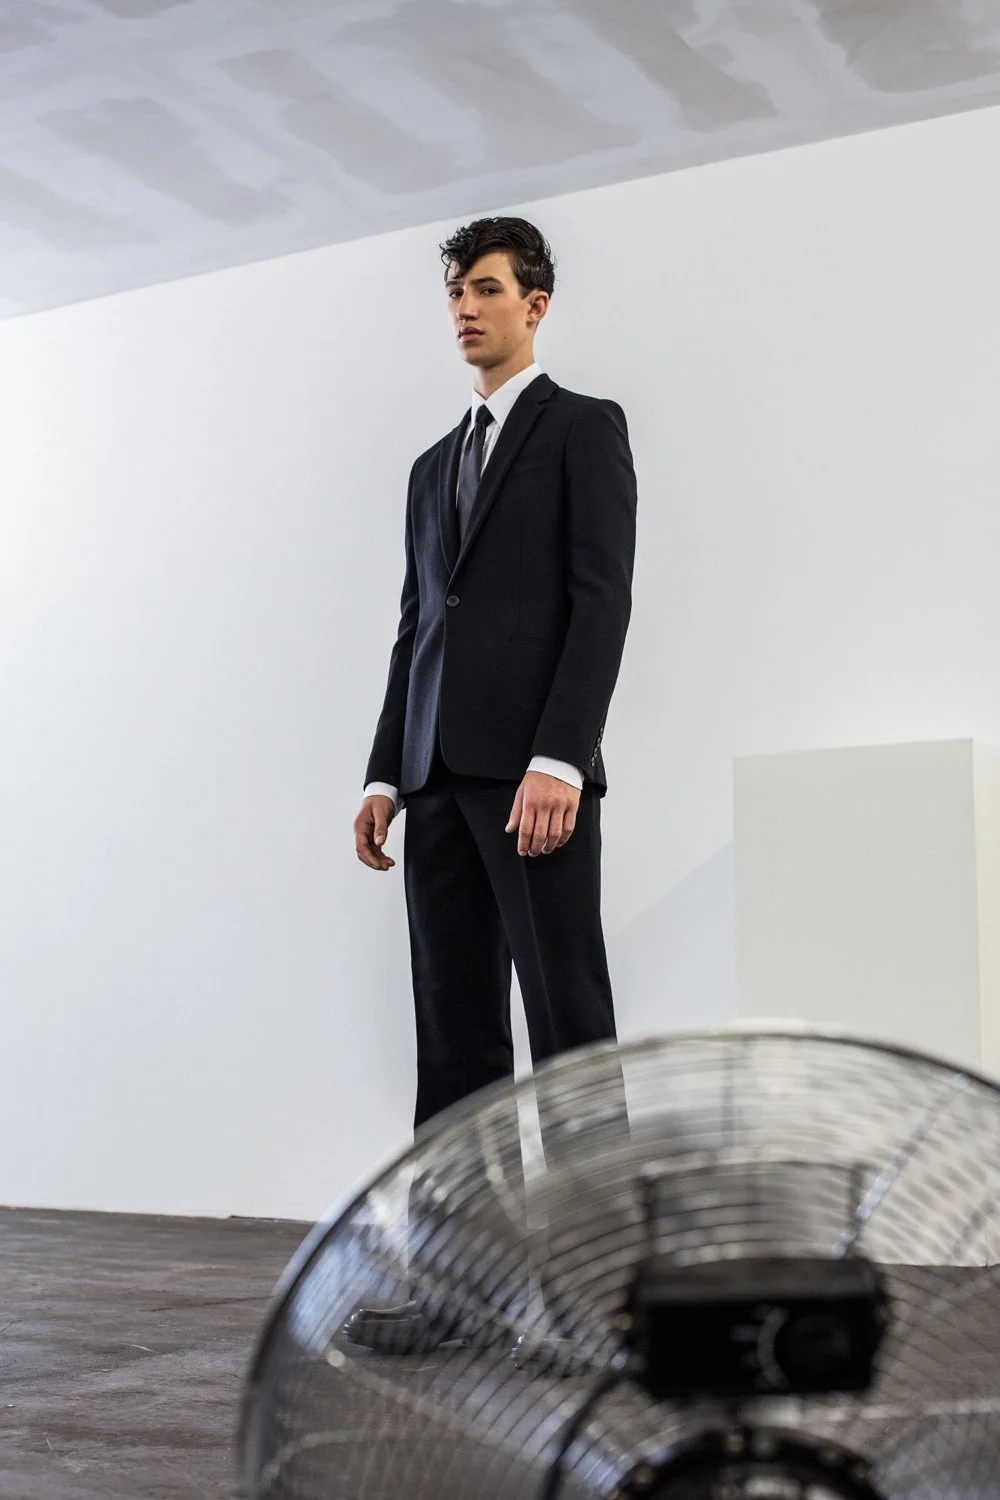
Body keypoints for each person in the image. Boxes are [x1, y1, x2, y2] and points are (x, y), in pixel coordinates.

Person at [347, 216, 637, 1353]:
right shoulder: (431, 467)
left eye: (485, 289)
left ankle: (595, 1306)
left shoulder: (583, 431)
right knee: (454, 1041)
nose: (466, 309)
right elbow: (416, 626)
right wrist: (382, 768)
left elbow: (600, 602)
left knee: (569, 1036)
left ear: (537, 302)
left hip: (533, 786)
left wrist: (560, 755)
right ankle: (453, 1298)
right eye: (456, 293)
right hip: (431, 788)